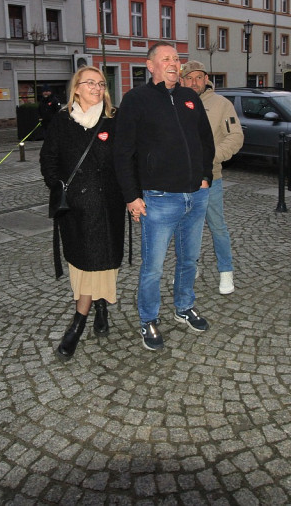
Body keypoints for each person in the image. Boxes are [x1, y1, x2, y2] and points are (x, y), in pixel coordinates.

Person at [113, 43, 216, 351]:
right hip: (158, 198)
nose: (174, 63)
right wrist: (132, 196)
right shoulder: (136, 100)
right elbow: (122, 152)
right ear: (151, 66)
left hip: (194, 196)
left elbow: (205, 141)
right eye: (167, 59)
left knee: (189, 259)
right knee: (153, 267)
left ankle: (184, 306)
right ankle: (148, 319)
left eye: (176, 58)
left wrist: (205, 176)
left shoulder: (189, 98)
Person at [40, 66, 125, 359]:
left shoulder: (114, 120)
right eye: (90, 83)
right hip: (75, 210)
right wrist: (60, 186)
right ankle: (80, 321)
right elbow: (47, 160)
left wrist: (132, 196)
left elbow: (126, 161)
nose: (97, 87)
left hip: (107, 207)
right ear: (76, 88)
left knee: (104, 261)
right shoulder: (62, 121)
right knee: (83, 264)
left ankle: (97, 309)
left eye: (101, 83)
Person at [179, 61, 243, 295]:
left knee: (217, 226)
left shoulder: (221, 104)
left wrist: (211, 157)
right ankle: (190, 265)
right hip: (180, 180)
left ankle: (226, 272)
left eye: (199, 77)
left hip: (211, 178)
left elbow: (235, 137)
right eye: (189, 77)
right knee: (185, 227)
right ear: (182, 80)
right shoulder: (174, 102)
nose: (194, 82)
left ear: (206, 79)